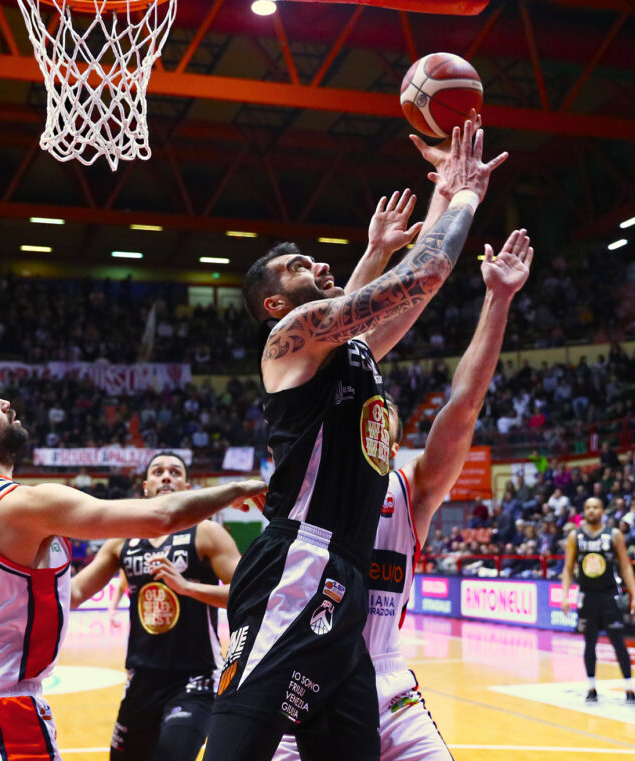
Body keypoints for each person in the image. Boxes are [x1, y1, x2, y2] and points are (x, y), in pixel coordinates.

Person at [205, 120, 507, 761]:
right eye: (296, 266)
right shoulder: (296, 333)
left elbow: (399, 305)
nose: (315, 263)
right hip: (299, 561)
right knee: (239, 745)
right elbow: (421, 279)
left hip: (344, 577)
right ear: (273, 304)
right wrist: (463, 198)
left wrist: (434, 202)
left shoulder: (347, 352)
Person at [0, 236, 265, 761]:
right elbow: (160, 516)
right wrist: (241, 485)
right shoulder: (24, 504)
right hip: (3, 711)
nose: (4, 401)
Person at [273, 225, 532, 761]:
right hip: (302, 676)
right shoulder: (308, 465)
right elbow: (337, 348)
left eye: (382, 410)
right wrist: (379, 252)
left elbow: (463, 404)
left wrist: (498, 298)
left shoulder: (409, 490)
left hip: (386, 684)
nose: (374, 412)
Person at [68, 451, 244, 761]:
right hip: (141, 679)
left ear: (187, 488)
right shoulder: (121, 541)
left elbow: (248, 592)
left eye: (175, 472)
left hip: (195, 678)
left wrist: (188, 587)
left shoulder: (207, 533)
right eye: (158, 471)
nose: (166, 476)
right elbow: (77, 590)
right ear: (145, 486)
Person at [560, 497, 635, 704]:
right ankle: (591, 687)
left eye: (595, 506)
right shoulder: (575, 536)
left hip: (609, 595)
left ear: (603, 510)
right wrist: (565, 596)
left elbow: (625, 566)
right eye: (587, 507)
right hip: (586, 596)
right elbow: (568, 567)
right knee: (589, 642)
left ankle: (629, 688)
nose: (591, 510)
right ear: (583, 512)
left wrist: (634, 596)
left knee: (618, 641)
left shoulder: (614, 535)